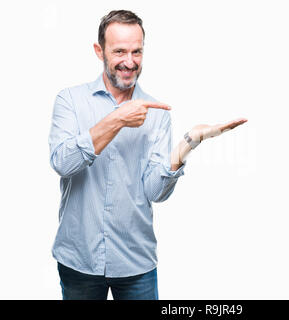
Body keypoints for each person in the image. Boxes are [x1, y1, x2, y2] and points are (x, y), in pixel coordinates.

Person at [48, 9, 247, 300]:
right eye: (119, 51)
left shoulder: (156, 113)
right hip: (79, 260)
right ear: (99, 50)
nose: (129, 62)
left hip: (135, 263)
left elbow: (155, 192)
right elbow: (62, 163)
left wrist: (191, 141)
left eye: (137, 52)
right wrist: (118, 120)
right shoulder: (70, 100)